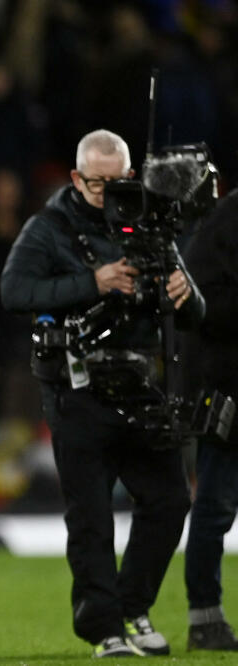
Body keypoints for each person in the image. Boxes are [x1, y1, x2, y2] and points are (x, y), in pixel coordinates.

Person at [0, 129, 201, 658]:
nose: (108, 193)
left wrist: (186, 291)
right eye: (96, 184)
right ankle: (104, 627)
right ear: (75, 178)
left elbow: (195, 311)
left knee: (170, 498)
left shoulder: (151, 224)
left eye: (118, 183)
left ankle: (131, 607)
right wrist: (94, 281)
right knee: (90, 514)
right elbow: (14, 291)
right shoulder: (50, 227)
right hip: (76, 386)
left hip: (139, 382)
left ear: (132, 177)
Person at [181, 184, 238, 651]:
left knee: (215, 505)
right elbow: (198, 306)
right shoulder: (225, 221)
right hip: (231, 391)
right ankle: (205, 617)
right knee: (216, 505)